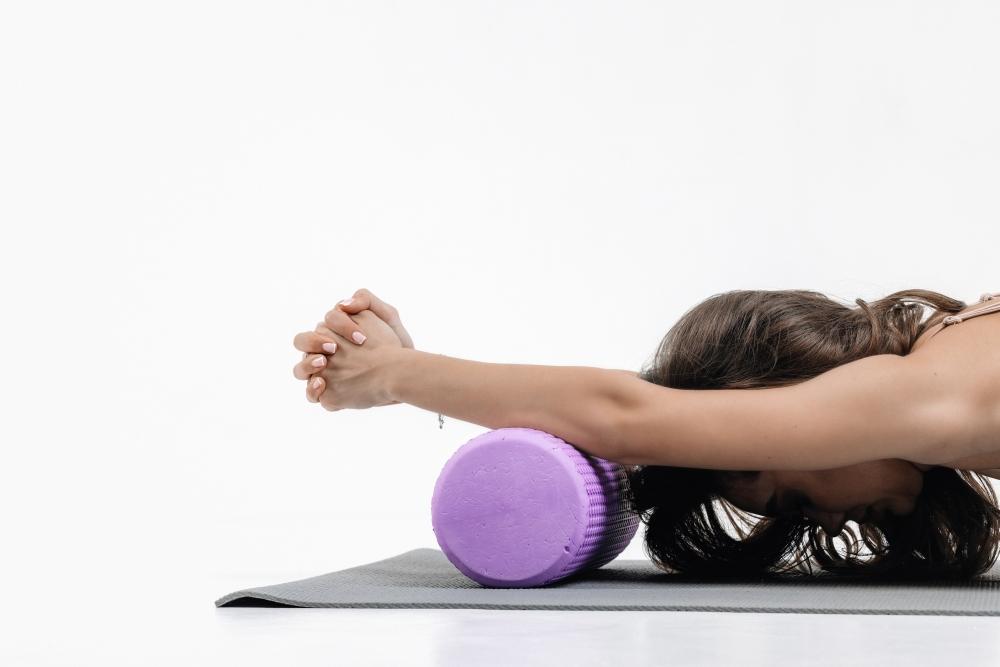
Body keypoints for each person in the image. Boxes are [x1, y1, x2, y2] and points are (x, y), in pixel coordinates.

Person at [292, 288, 1000, 580]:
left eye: (779, 476)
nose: (825, 519)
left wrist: (392, 374)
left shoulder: (933, 391)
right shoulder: (955, 373)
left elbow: (629, 419)